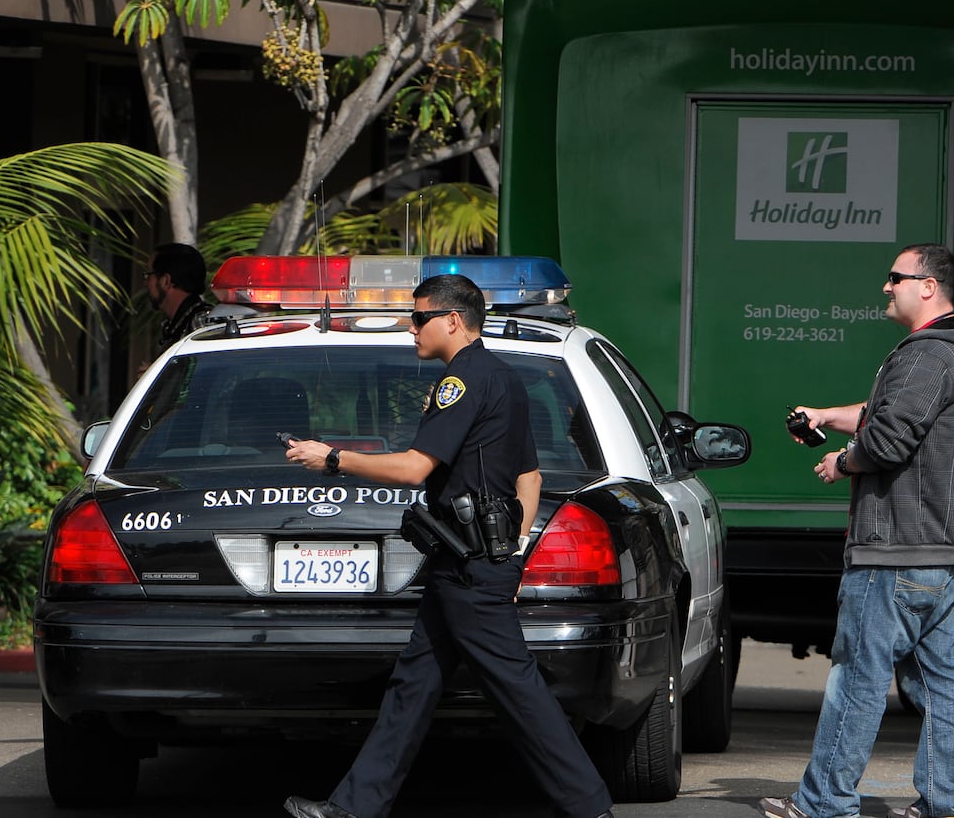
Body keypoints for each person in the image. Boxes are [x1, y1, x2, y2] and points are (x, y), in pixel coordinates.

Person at [280, 273, 615, 818]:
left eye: (418, 318)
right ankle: (353, 807)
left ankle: (589, 806)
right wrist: (514, 550)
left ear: (452, 320)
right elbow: (529, 478)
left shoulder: (460, 382)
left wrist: (334, 458)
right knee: (413, 686)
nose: (409, 328)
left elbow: (416, 468)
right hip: (474, 561)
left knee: (518, 691)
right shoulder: (505, 377)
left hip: (470, 568)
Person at [758, 243, 954, 818]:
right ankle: (951, 803)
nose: (886, 287)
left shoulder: (923, 355)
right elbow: (887, 413)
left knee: (857, 680)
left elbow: (888, 439)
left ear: (928, 286)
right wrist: (825, 416)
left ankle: (823, 804)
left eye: (896, 278)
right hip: (945, 553)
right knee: (941, 682)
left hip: (896, 551)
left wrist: (841, 461)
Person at [146, 242, 213, 353]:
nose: (145, 283)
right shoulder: (175, 325)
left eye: (148, 275)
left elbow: (210, 367)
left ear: (165, 281)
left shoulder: (200, 322)